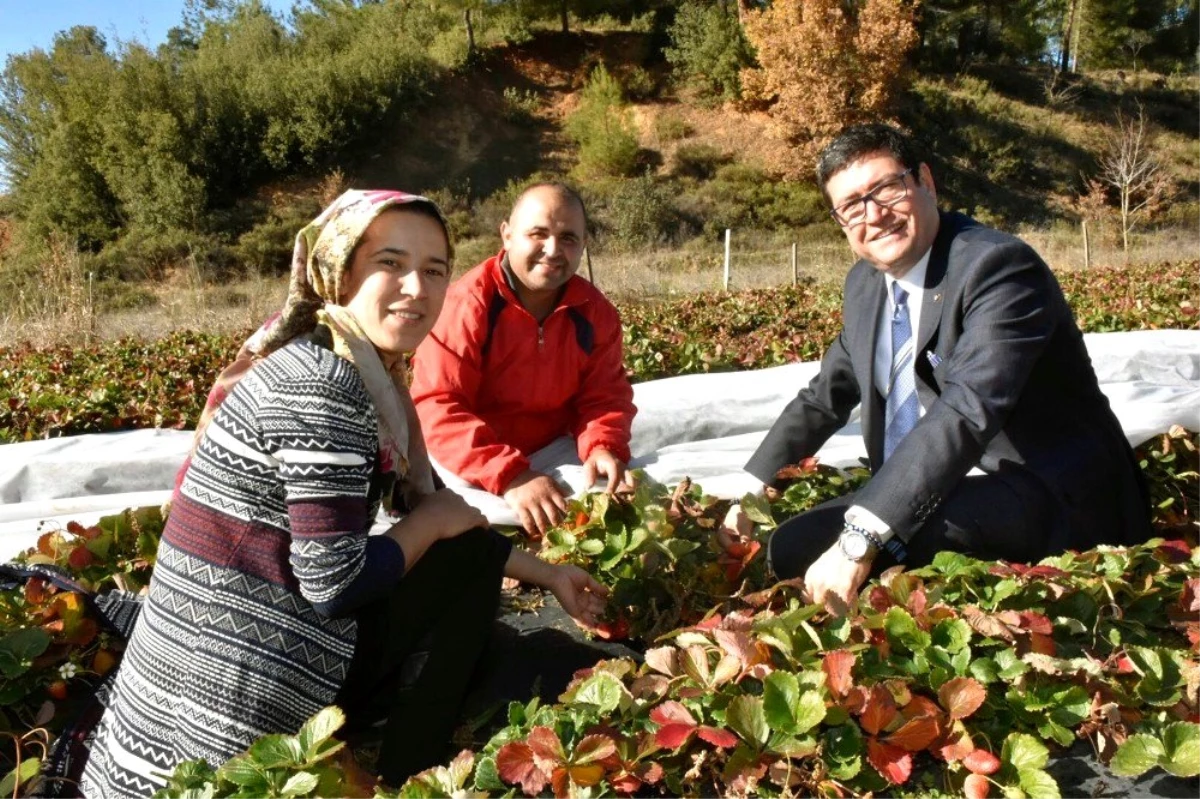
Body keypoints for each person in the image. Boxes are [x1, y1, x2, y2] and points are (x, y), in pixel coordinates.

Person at [79, 190, 609, 797]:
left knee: (458, 551)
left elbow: (442, 512)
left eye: (434, 270)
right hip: (237, 700)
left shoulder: (350, 363)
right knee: (454, 562)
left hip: (207, 656)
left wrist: (548, 574)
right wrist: (431, 525)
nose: (416, 287)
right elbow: (338, 585)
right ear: (339, 270)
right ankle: (411, 775)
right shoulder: (322, 388)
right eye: (390, 263)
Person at [725, 124, 1151, 609]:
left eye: (886, 188)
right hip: (948, 483)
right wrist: (751, 489)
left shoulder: (998, 268)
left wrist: (859, 538)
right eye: (851, 206)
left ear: (925, 181)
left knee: (836, 547)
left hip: (1049, 489)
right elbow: (826, 394)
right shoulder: (865, 284)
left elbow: (969, 407)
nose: (875, 215)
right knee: (793, 542)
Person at [411, 182, 637, 536]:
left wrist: (602, 446)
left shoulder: (595, 312)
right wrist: (513, 476)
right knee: (453, 519)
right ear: (507, 234)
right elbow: (438, 406)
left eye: (568, 238)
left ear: (583, 245)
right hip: (467, 459)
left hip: (551, 449)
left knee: (618, 494)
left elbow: (604, 396)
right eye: (538, 234)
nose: (552, 250)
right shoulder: (466, 306)